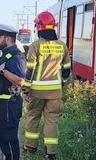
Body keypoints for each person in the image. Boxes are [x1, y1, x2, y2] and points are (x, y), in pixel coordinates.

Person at [23, 11, 71, 160]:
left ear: (39, 27)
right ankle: (51, 153)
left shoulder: (35, 46)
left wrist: (26, 89)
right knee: (51, 121)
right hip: (55, 92)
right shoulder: (62, 46)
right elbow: (67, 69)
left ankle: (30, 147)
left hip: (37, 92)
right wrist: (61, 84)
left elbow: (30, 70)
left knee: (33, 117)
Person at [0, 23, 26, 160]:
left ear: (8, 39)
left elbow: (20, 81)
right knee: (4, 137)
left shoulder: (16, 56)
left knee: (9, 137)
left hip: (10, 104)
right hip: (3, 104)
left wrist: (3, 71)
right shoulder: (7, 55)